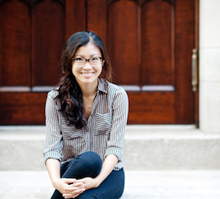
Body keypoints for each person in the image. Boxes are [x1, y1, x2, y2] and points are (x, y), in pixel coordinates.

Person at [43, 31, 129, 199]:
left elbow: (115, 148)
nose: (87, 66)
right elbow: (52, 149)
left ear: (103, 61)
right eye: (80, 59)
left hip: (109, 175)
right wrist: (56, 182)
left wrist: (96, 181)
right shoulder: (55, 98)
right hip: (73, 170)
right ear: (70, 63)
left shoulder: (117, 96)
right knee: (89, 159)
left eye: (94, 59)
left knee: (87, 194)